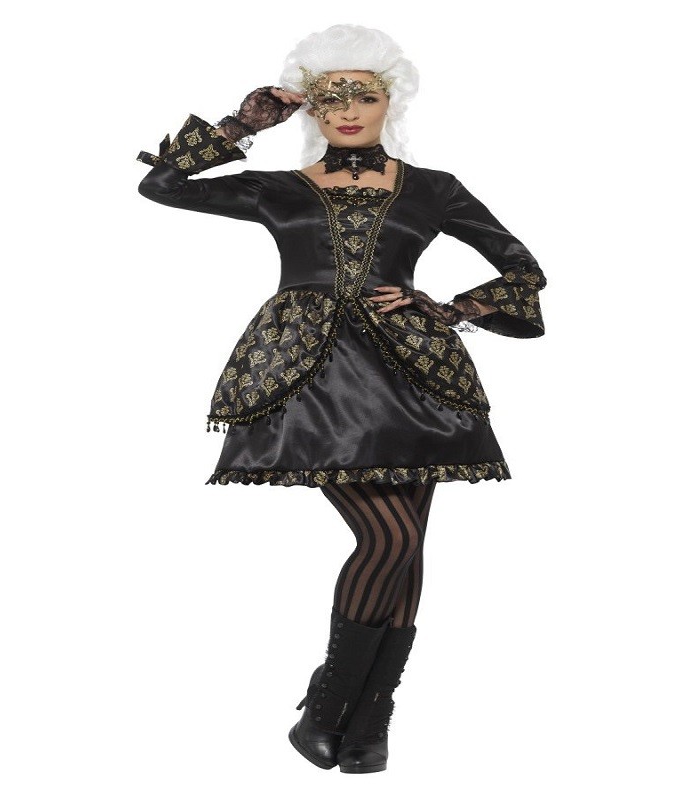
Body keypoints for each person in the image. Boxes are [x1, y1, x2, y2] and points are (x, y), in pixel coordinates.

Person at [136, 23, 547, 774]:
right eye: (331, 98)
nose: (349, 111)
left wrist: (450, 308)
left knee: (408, 546)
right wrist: (241, 124)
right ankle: (328, 705)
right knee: (390, 539)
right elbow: (161, 186)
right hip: (309, 370)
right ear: (310, 107)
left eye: (365, 96)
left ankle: (368, 722)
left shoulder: (433, 188)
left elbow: (522, 266)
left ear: (392, 101)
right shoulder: (279, 188)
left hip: (414, 374)